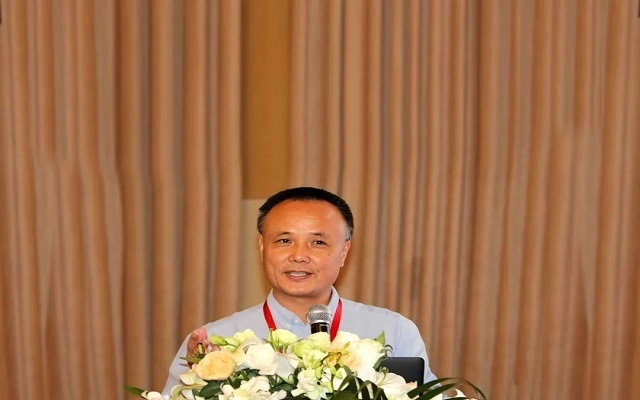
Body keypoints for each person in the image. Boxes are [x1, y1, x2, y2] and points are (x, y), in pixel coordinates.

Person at [162, 186, 437, 394]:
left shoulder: (394, 331)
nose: (299, 256)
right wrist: (200, 382)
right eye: (284, 240)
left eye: (318, 243)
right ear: (262, 247)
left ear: (343, 252)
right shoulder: (216, 342)